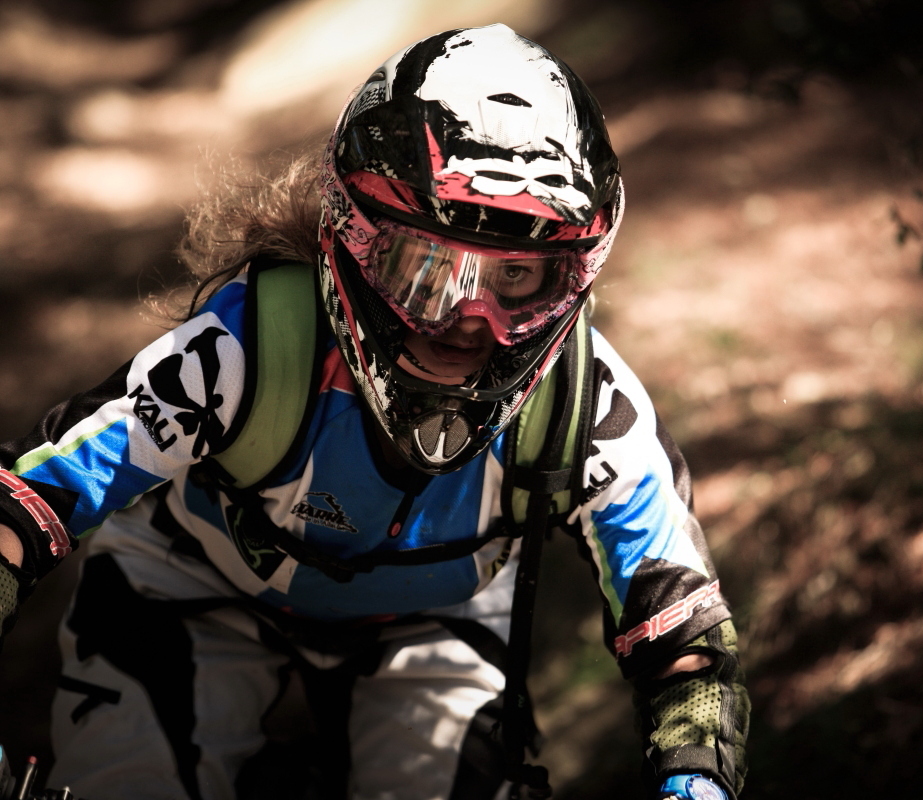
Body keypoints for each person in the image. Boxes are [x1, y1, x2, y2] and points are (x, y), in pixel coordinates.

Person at [0, 24, 749, 800]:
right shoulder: (251, 345)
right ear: (350, 237)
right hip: (186, 592)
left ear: (573, 276)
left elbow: (682, 631)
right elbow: (31, 495)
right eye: (427, 269)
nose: (466, 321)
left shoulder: (584, 402)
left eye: (515, 278)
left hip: (436, 621)